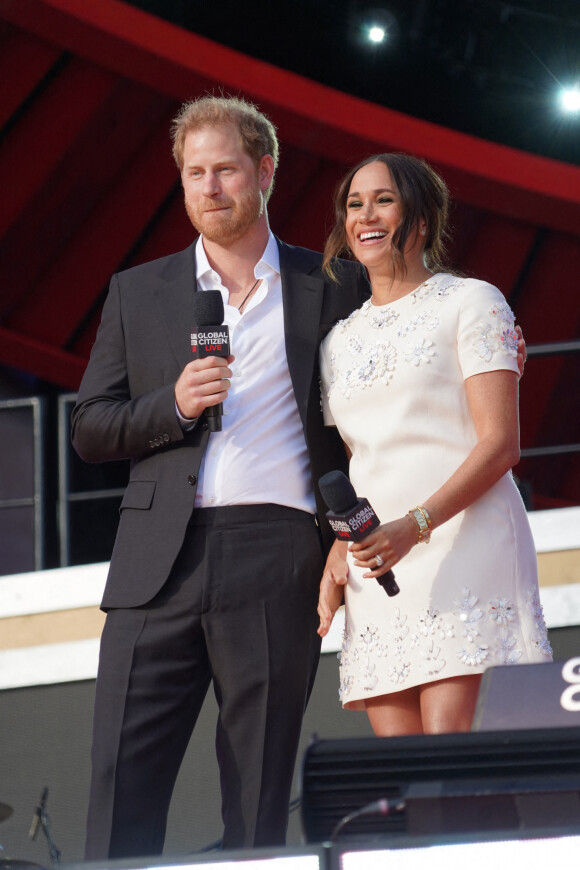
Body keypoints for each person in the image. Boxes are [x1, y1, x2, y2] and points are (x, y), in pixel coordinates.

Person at [71, 95, 370, 858]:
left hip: (278, 553)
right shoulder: (139, 291)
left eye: (225, 170)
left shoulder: (333, 284)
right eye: (194, 173)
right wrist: (170, 405)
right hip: (156, 563)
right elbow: (91, 428)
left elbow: (387, 394)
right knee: (120, 790)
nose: (209, 188)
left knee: (258, 793)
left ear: (264, 172)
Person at [317, 152, 551, 737]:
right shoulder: (337, 343)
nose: (365, 215)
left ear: (421, 219)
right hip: (378, 563)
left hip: (464, 545)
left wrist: (415, 525)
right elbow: (362, 460)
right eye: (354, 203)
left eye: (384, 199)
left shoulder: (472, 302)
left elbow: (501, 446)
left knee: (457, 768)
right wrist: (340, 550)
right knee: (404, 788)